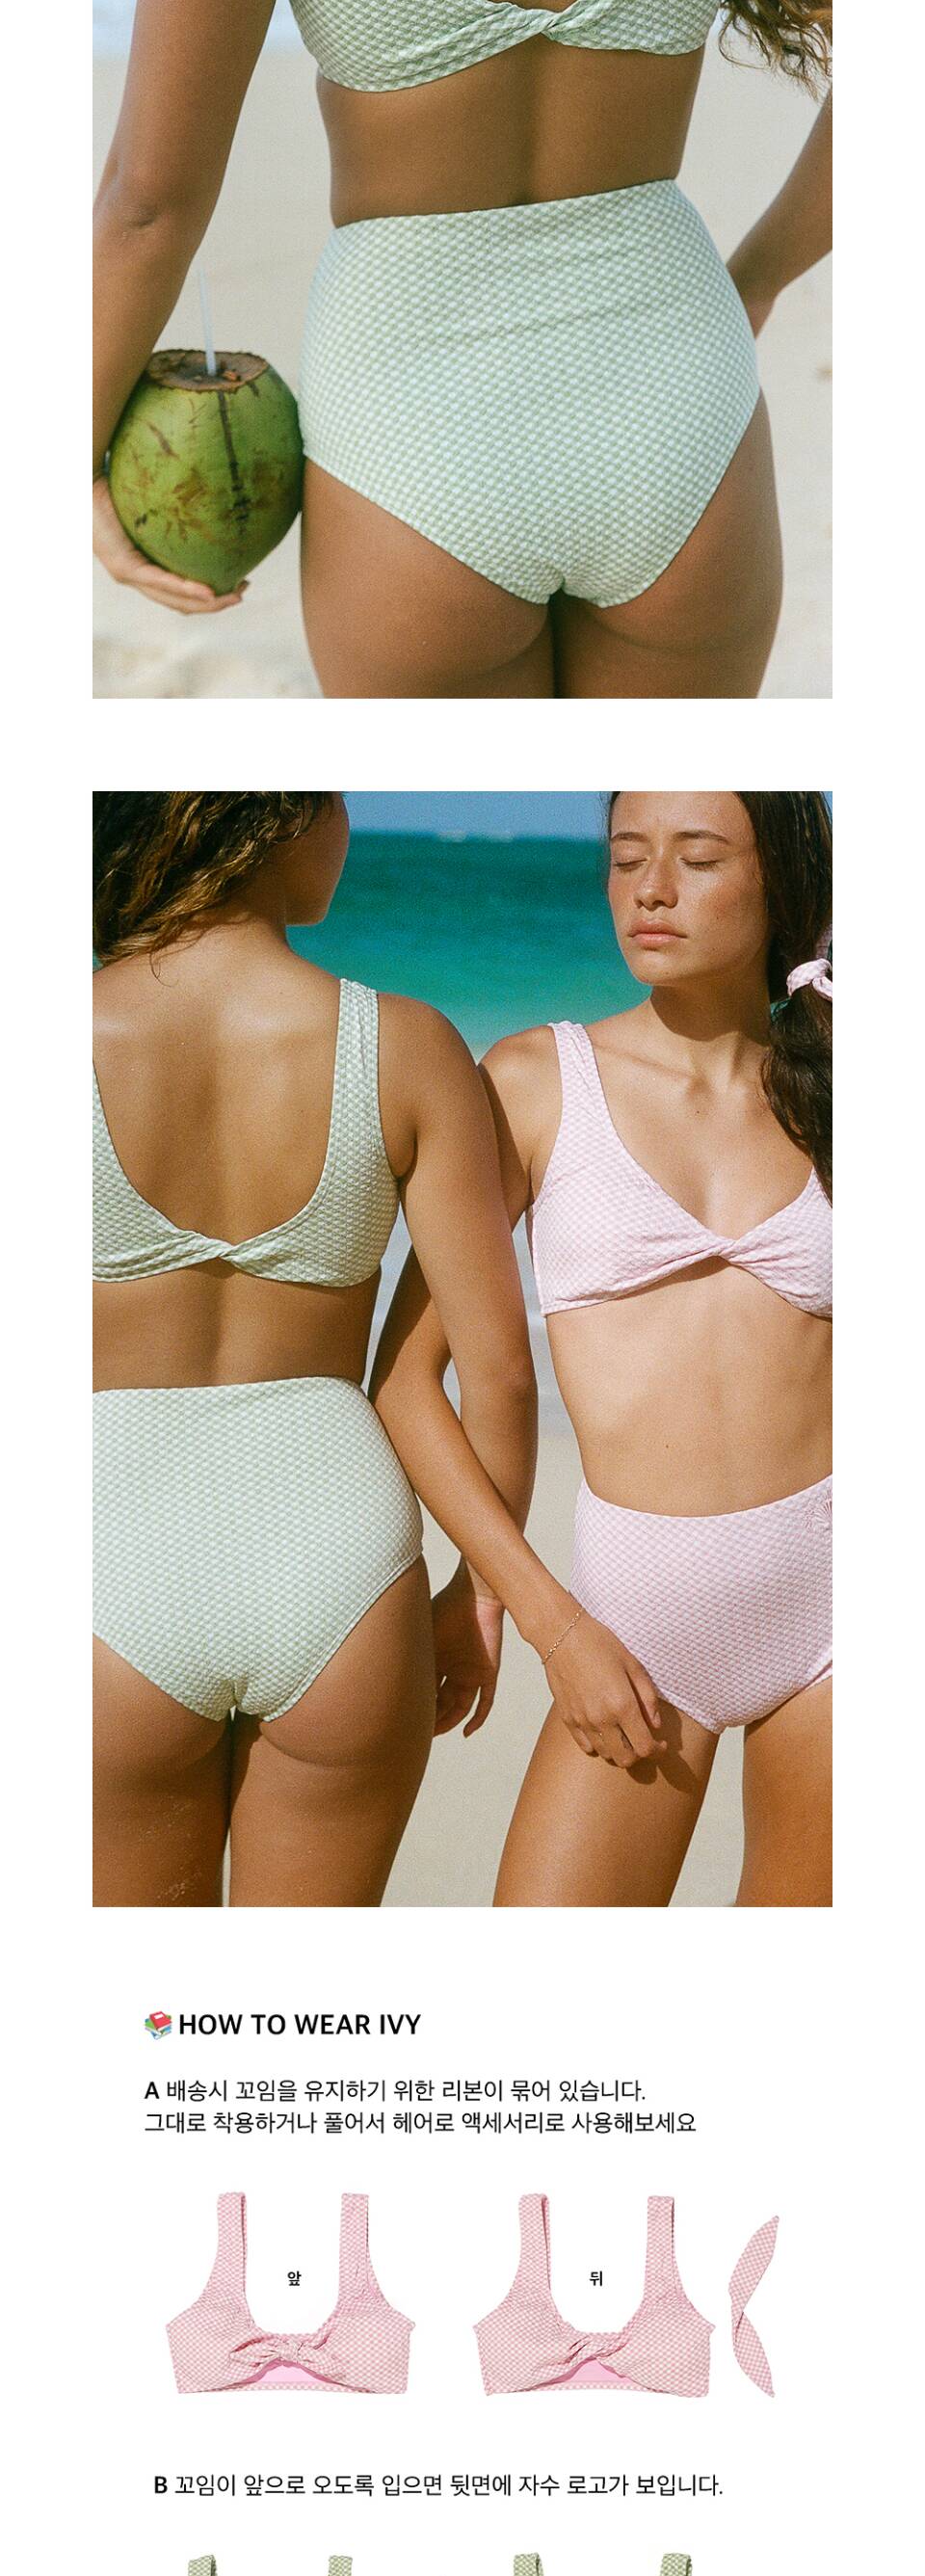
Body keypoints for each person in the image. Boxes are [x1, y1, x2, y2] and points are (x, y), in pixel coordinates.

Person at [93, 0, 831, 699]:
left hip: (408, 421)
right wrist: (757, 278)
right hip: (678, 390)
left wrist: (71, 451)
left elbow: (150, 203)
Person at [93, 790, 666, 1905]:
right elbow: (497, 1370)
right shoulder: (403, 1043)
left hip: (108, 1546)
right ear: (278, 817)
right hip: (341, 1558)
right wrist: (478, 1592)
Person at [375, 794, 832, 1903]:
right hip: (629, 1627)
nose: (650, 889)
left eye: (697, 857)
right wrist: (527, 1610)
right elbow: (405, 1381)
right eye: (627, 857)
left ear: (780, 874)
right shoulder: (537, 1083)